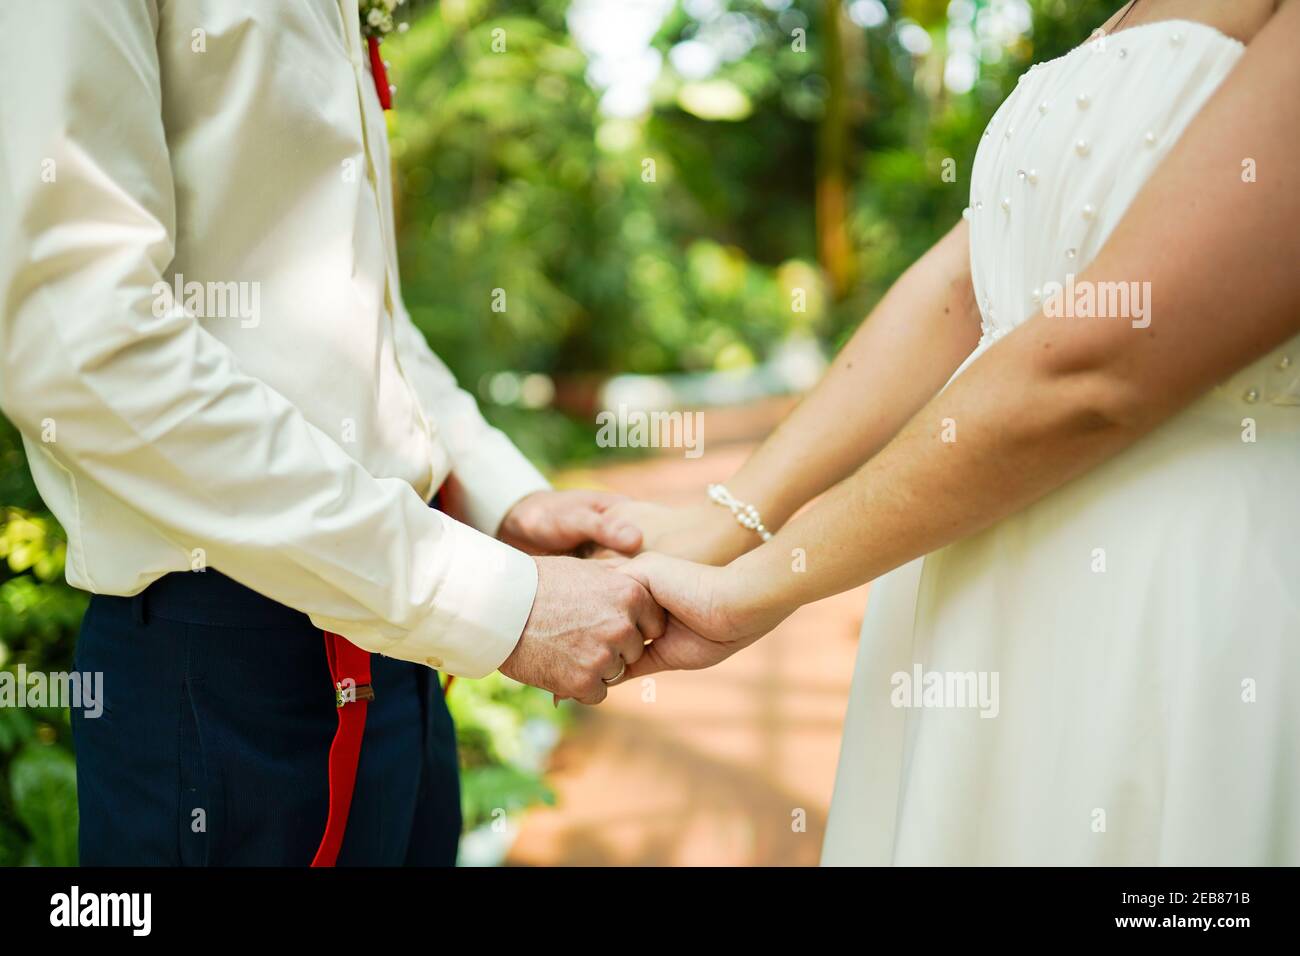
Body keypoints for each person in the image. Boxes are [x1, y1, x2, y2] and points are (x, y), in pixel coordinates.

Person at [612, 0, 1300, 865]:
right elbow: (975, 281)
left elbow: (1100, 367)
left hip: (1180, 590)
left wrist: (759, 585)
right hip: (981, 583)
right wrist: (727, 518)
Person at [0, 1, 662, 865]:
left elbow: (363, 317)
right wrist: (494, 601)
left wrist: (504, 500)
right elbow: (77, 339)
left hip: (401, 654)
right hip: (224, 673)